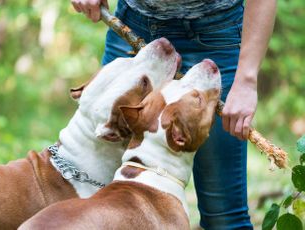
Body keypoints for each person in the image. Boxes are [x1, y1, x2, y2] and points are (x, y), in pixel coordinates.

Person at [70, 0, 277, 229]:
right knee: (87, 198)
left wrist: (246, 79)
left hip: (216, 35)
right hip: (133, 23)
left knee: (224, 217)